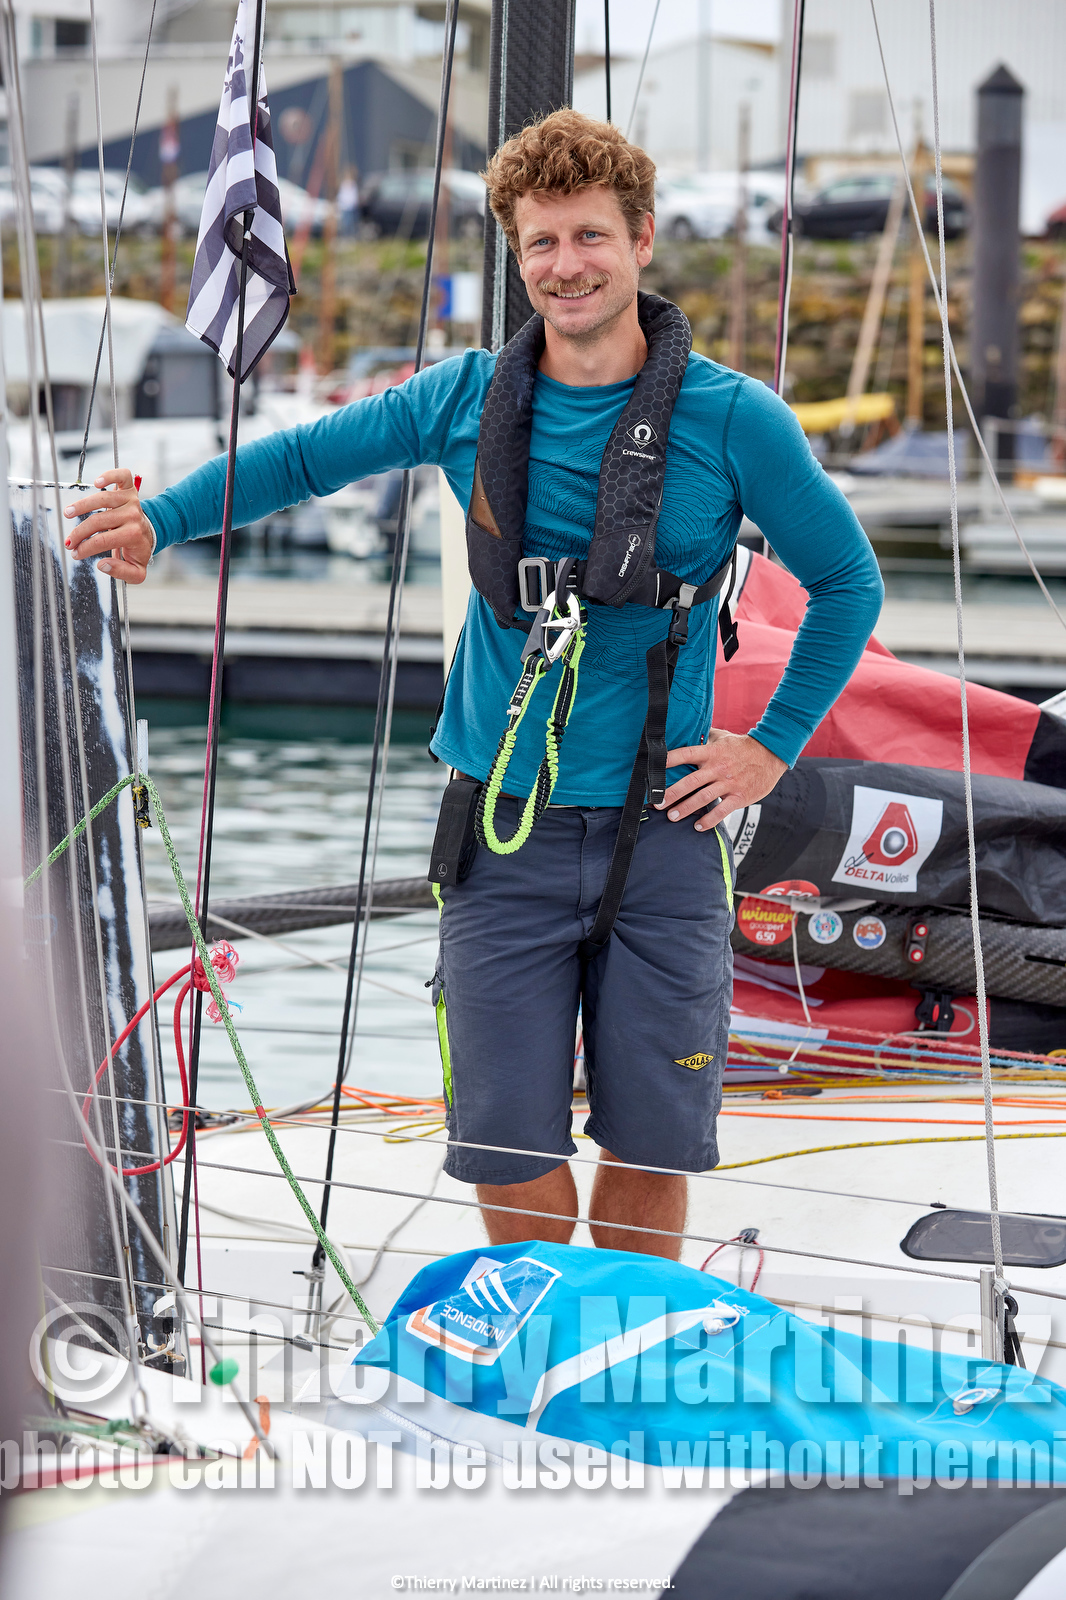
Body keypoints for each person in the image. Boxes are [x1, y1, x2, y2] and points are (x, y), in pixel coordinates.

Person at [64, 110, 883, 1261]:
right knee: (507, 1141)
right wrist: (159, 518)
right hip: (504, 839)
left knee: (651, 1141)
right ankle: (541, 1347)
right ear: (516, 254)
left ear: (642, 241)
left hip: (666, 836)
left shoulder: (732, 417)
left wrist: (773, 744)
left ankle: (619, 1358)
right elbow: (302, 458)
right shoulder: (460, 398)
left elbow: (848, 582)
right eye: (540, 243)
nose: (566, 266)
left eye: (590, 237)